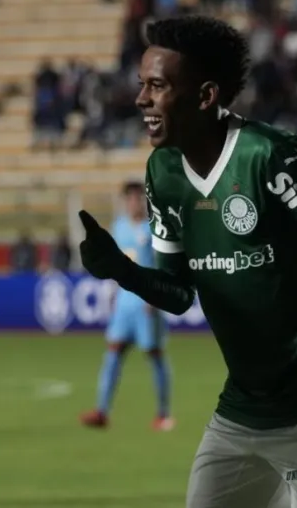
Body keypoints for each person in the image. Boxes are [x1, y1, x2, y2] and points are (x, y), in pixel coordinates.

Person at [76, 16, 297, 508]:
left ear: (205, 96)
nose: (141, 99)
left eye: (157, 86)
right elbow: (179, 293)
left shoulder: (273, 157)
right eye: (142, 85)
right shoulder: (163, 172)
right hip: (242, 413)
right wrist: (121, 270)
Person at [80, 181, 174, 431]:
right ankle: (101, 411)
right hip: (124, 304)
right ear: (125, 201)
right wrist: (112, 296)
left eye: (138, 198)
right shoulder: (119, 228)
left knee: (154, 356)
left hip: (147, 304)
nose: (134, 202)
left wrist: (156, 297)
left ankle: (163, 414)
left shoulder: (155, 228)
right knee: (112, 354)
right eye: (130, 198)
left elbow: (163, 264)